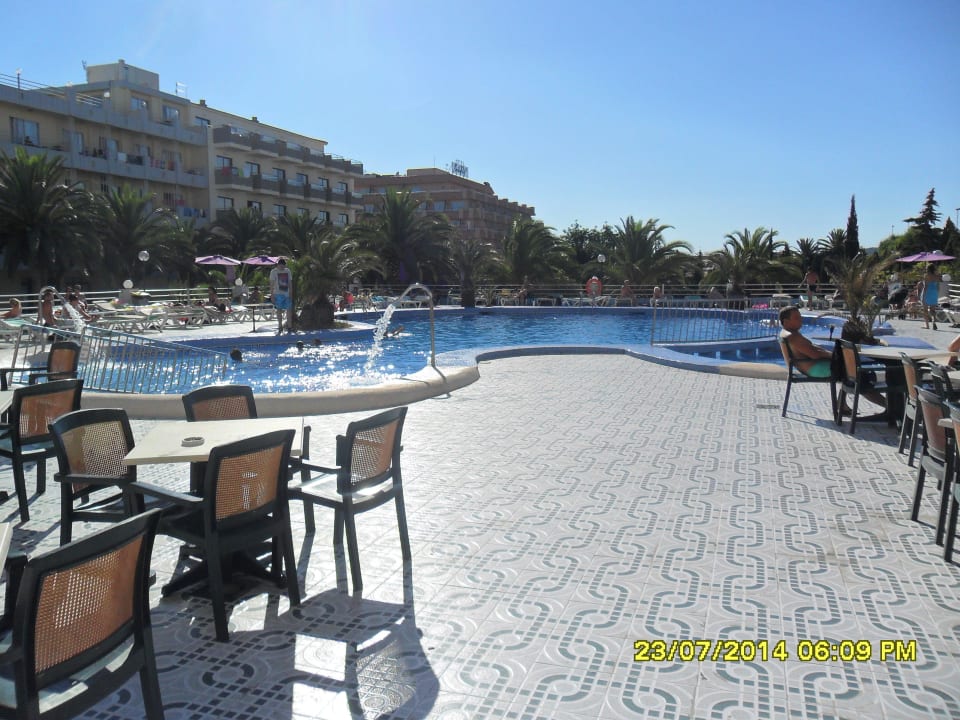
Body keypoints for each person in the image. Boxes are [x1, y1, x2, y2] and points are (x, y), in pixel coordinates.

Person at [779, 306, 885, 411]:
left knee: (851, 370)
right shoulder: (792, 336)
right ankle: (890, 407)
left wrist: (834, 355)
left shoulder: (787, 333)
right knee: (858, 376)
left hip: (808, 366)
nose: (801, 320)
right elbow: (815, 354)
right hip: (814, 369)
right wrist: (834, 356)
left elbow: (813, 349)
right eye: (797, 318)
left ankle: (843, 403)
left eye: (800, 317)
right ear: (786, 321)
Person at [268, 258, 293, 334]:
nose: (282, 268)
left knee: (289, 310)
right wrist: (272, 295)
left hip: (286, 294)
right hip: (278, 294)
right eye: (281, 266)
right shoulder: (273, 272)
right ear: (278, 265)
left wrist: (291, 293)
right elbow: (271, 284)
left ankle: (289, 327)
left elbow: (289, 282)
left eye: (283, 266)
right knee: (279, 310)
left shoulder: (287, 271)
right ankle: (280, 326)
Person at [921, 263, 941, 330]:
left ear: (928, 269)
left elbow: (925, 286)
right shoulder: (937, 276)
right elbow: (938, 287)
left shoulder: (926, 275)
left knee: (925, 310)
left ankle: (927, 326)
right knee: (932, 310)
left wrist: (923, 295)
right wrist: (936, 294)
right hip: (934, 293)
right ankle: (934, 322)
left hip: (927, 292)